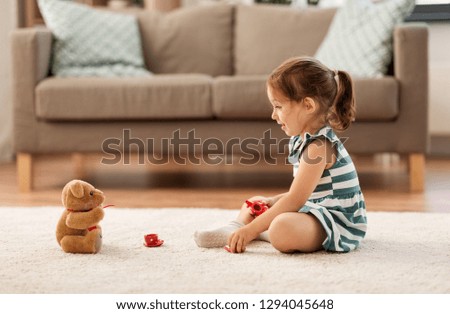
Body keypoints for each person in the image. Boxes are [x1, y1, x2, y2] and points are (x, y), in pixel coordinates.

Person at [194, 56, 367, 254]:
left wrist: (252, 229)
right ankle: (236, 227)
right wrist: (272, 200)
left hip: (337, 220)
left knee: (282, 228)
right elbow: (307, 193)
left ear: (308, 106)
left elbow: (295, 199)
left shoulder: (319, 147)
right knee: (257, 201)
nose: (273, 115)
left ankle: (253, 231)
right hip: (315, 206)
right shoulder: (303, 139)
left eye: (278, 106)